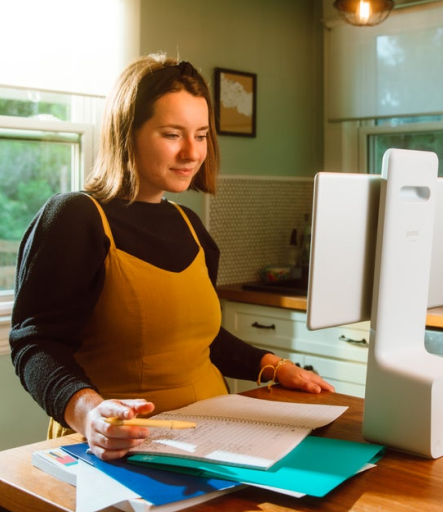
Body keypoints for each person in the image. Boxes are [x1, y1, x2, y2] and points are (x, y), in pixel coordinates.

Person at [9, 54, 334, 461]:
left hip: (220, 435)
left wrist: (273, 365)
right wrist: (90, 414)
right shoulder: (75, 217)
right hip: (119, 447)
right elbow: (34, 343)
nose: (191, 153)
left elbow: (198, 336)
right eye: (172, 134)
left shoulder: (190, 224)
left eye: (201, 135)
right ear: (127, 133)